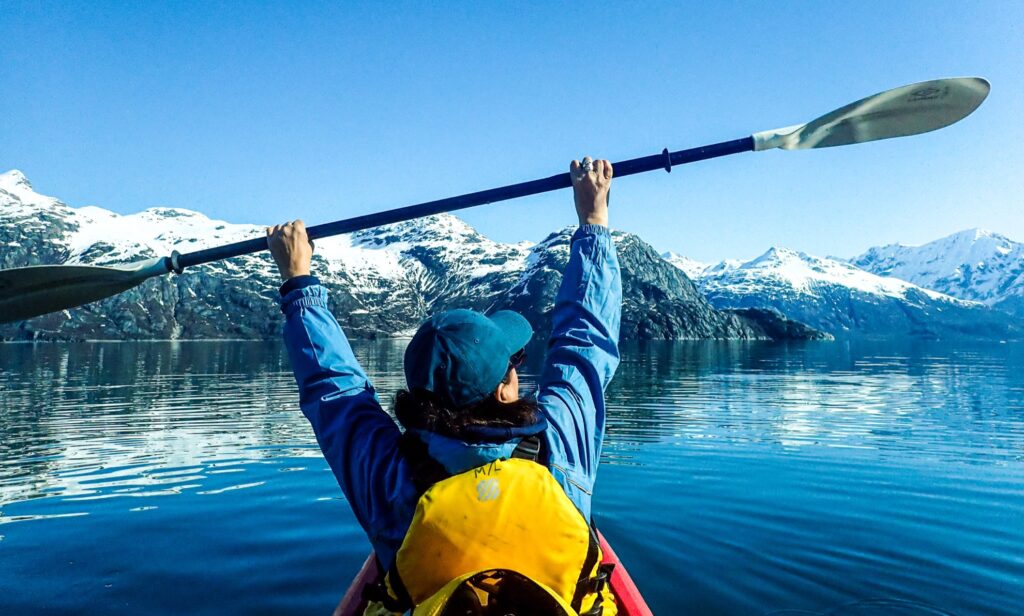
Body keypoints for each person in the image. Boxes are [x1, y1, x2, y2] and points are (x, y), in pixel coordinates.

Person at [267, 156, 621, 615]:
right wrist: (593, 221)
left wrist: (298, 280)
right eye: (514, 362)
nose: (519, 368)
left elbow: (334, 389)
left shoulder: (391, 474)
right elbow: (583, 342)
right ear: (503, 391)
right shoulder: (558, 442)